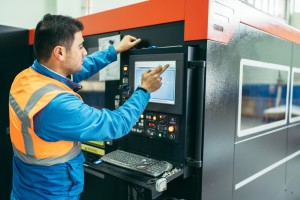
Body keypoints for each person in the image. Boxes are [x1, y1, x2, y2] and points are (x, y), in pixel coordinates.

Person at [9, 14, 169, 200]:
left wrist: (114, 51)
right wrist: (144, 90)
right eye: (80, 46)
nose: (84, 52)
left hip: (25, 188)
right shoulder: (56, 105)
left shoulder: (27, 78)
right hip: (53, 193)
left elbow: (79, 68)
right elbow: (115, 124)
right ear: (59, 53)